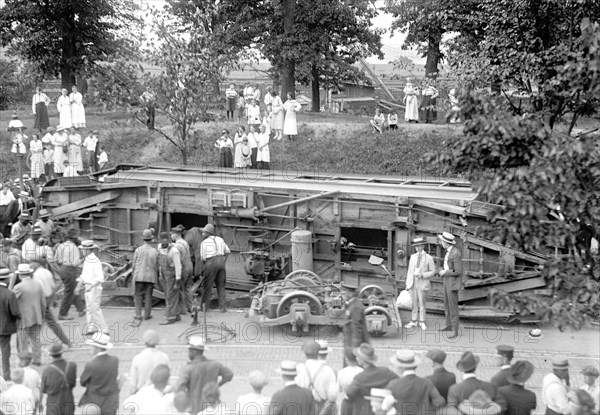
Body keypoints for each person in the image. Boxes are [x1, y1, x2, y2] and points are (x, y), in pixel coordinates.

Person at [176, 335, 234, 415]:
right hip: (212, 405)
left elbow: (179, 388)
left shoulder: (187, 369)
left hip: (195, 408)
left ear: (193, 351)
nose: (188, 352)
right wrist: (216, 385)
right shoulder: (215, 364)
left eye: (189, 350)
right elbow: (229, 374)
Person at [383, 350, 445, 415]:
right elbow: (440, 402)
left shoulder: (393, 384)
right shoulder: (426, 382)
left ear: (401, 368)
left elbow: (383, 405)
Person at [346, 343, 398, 415]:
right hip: (384, 410)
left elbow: (349, 393)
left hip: (365, 410)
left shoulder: (360, 378)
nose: (356, 358)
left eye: (358, 356)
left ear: (363, 360)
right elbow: (399, 381)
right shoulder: (385, 371)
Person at [31, 261, 71, 347]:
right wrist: (53, 298)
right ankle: (31, 339)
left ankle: (66, 341)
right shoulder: (46, 272)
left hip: (41, 300)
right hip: (48, 297)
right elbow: (53, 286)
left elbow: (39, 290)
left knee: (47, 322)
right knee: (43, 321)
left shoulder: (36, 276)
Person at [79, 334, 120, 415]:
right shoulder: (115, 360)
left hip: (95, 403)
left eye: (92, 346)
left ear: (97, 348)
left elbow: (82, 382)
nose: (90, 348)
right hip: (111, 402)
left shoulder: (91, 364)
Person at [13, 264, 45, 366]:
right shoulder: (38, 285)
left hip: (24, 318)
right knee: (35, 339)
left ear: (19, 275)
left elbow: (10, 300)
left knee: (23, 341)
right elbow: (43, 303)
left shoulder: (18, 287)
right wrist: (42, 316)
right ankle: (37, 359)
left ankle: (24, 361)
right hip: (37, 316)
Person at [295, 341, 338, 415]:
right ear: (318, 352)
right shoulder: (327, 370)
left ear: (304, 353)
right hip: (321, 407)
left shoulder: (299, 369)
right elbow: (332, 397)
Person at [404, 237, 435, 330]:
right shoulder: (413, 257)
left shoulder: (429, 258)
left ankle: (422, 321)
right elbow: (409, 271)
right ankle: (413, 321)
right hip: (413, 283)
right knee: (414, 303)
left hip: (422, 282)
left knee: (422, 303)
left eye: (419, 246)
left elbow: (433, 271)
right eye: (416, 246)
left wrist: (422, 275)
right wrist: (407, 283)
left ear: (423, 246)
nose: (417, 248)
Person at [79, 240, 108, 335]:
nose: (82, 251)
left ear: (88, 250)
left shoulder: (95, 261)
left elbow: (100, 278)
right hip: (88, 286)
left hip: (94, 288)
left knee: (95, 309)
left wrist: (91, 286)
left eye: (83, 250)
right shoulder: (87, 260)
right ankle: (91, 328)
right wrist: (78, 285)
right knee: (89, 308)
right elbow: (83, 275)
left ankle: (104, 329)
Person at [199, 224, 230, 312]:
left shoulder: (204, 243)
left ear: (208, 233)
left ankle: (204, 307)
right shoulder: (220, 239)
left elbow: (202, 258)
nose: (202, 234)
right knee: (221, 285)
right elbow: (228, 251)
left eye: (204, 232)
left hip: (210, 262)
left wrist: (207, 265)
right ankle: (223, 307)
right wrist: (223, 260)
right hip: (221, 261)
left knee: (207, 286)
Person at [128, 329, 170, 395]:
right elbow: (167, 380)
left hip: (142, 394)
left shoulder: (137, 358)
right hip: (159, 395)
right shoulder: (164, 357)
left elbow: (133, 384)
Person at [55, 228, 85, 320]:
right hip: (70, 270)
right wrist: (83, 259)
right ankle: (62, 314)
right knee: (69, 292)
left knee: (73, 289)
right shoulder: (74, 248)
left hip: (62, 269)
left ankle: (81, 310)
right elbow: (75, 263)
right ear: (74, 238)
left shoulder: (61, 246)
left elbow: (56, 259)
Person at [438, 231, 463, 338]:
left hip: (452, 281)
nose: (441, 242)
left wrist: (445, 272)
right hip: (447, 280)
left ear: (446, 243)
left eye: (442, 241)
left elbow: (458, 271)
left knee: (452, 307)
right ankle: (449, 325)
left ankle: (455, 330)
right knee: (447, 304)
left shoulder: (455, 253)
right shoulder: (449, 251)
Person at [41, 341, 77, 415]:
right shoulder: (72, 366)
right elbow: (72, 384)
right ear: (62, 351)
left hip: (53, 404)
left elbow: (43, 389)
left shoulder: (47, 370)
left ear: (50, 354)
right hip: (68, 402)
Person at [132, 229, 159, 323]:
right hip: (150, 277)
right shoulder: (154, 251)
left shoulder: (138, 250)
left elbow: (134, 264)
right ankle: (147, 315)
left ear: (143, 239)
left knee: (138, 295)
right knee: (148, 296)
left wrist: (133, 273)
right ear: (151, 239)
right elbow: (156, 265)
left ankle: (138, 315)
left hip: (139, 276)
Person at [158, 232, 183, 325]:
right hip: (164, 275)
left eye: (166, 242)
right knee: (168, 296)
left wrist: (177, 281)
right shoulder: (159, 248)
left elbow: (178, 266)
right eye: (162, 242)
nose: (164, 244)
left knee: (170, 297)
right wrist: (160, 274)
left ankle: (170, 318)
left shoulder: (174, 251)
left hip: (172, 276)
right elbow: (160, 262)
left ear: (169, 241)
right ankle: (176, 315)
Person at [342, 284, 370, 366]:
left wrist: (354, 350)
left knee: (352, 367)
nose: (342, 295)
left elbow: (357, 329)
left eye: (344, 292)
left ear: (349, 294)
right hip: (349, 340)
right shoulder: (352, 303)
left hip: (352, 344)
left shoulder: (355, 307)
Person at [0, 268, 20, 381]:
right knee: (5, 350)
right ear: (7, 279)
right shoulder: (9, 294)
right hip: (4, 326)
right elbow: (15, 312)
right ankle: (6, 374)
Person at [170, 225, 193, 315]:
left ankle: (182, 309)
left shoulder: (177, 246)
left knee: (180, 288)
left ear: (175, 235)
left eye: (171, 235)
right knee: (188, 288)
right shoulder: (185, 242)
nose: (171, 236)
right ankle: (190, 307)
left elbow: (176, 260)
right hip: (190, 266)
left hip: (183, 268)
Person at [337, 349, 363, 415]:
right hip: (359, 402)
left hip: (346, 402)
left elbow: (338, 389)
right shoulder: (362, 372)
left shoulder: (341, 372)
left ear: (346, 359)